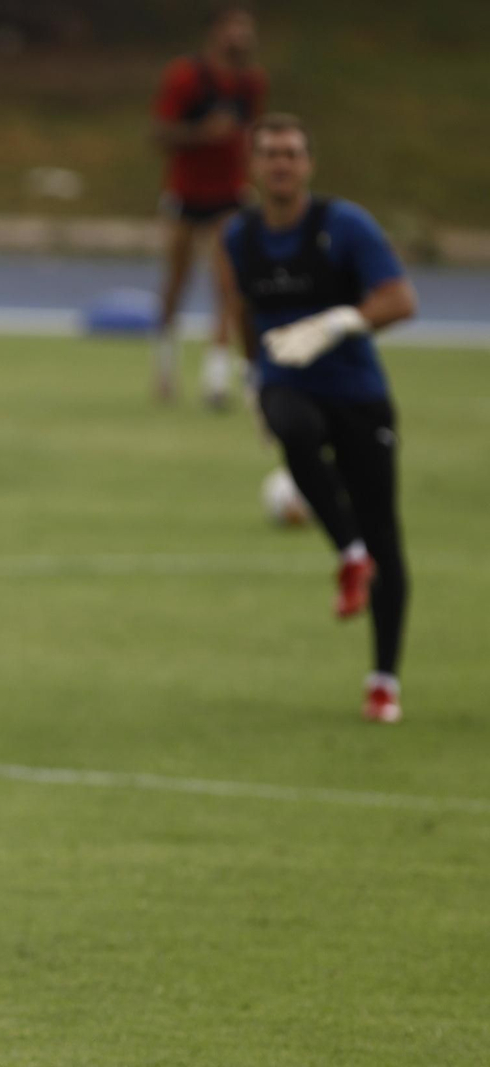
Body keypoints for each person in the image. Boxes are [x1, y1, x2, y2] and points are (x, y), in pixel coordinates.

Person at [217, 113, 418, 723]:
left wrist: (338, 323)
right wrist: (253, 377)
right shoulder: (239, 237)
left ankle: (383, 679)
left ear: (308, 165)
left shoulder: (343, 225)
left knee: (386, 536)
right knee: (293, 427)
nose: (282, 163)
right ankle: (348, 553)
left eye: (292, 153)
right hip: (288, 383)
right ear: (253, 166)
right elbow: (241, 310)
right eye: (270, 153)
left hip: (356, 393)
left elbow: (399, 299)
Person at [150, 5, 267, 407]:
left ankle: (216, 376)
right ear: (216, 32)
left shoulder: (251, 82)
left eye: (247, 29)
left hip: (229, 195)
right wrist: (202, 133)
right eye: (234, 28)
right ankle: (164, 364)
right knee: (176, 281)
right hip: (185, 193)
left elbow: (252, 132)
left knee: (229, 284)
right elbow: (160, 133)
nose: (242, 37)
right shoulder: (186, 76)